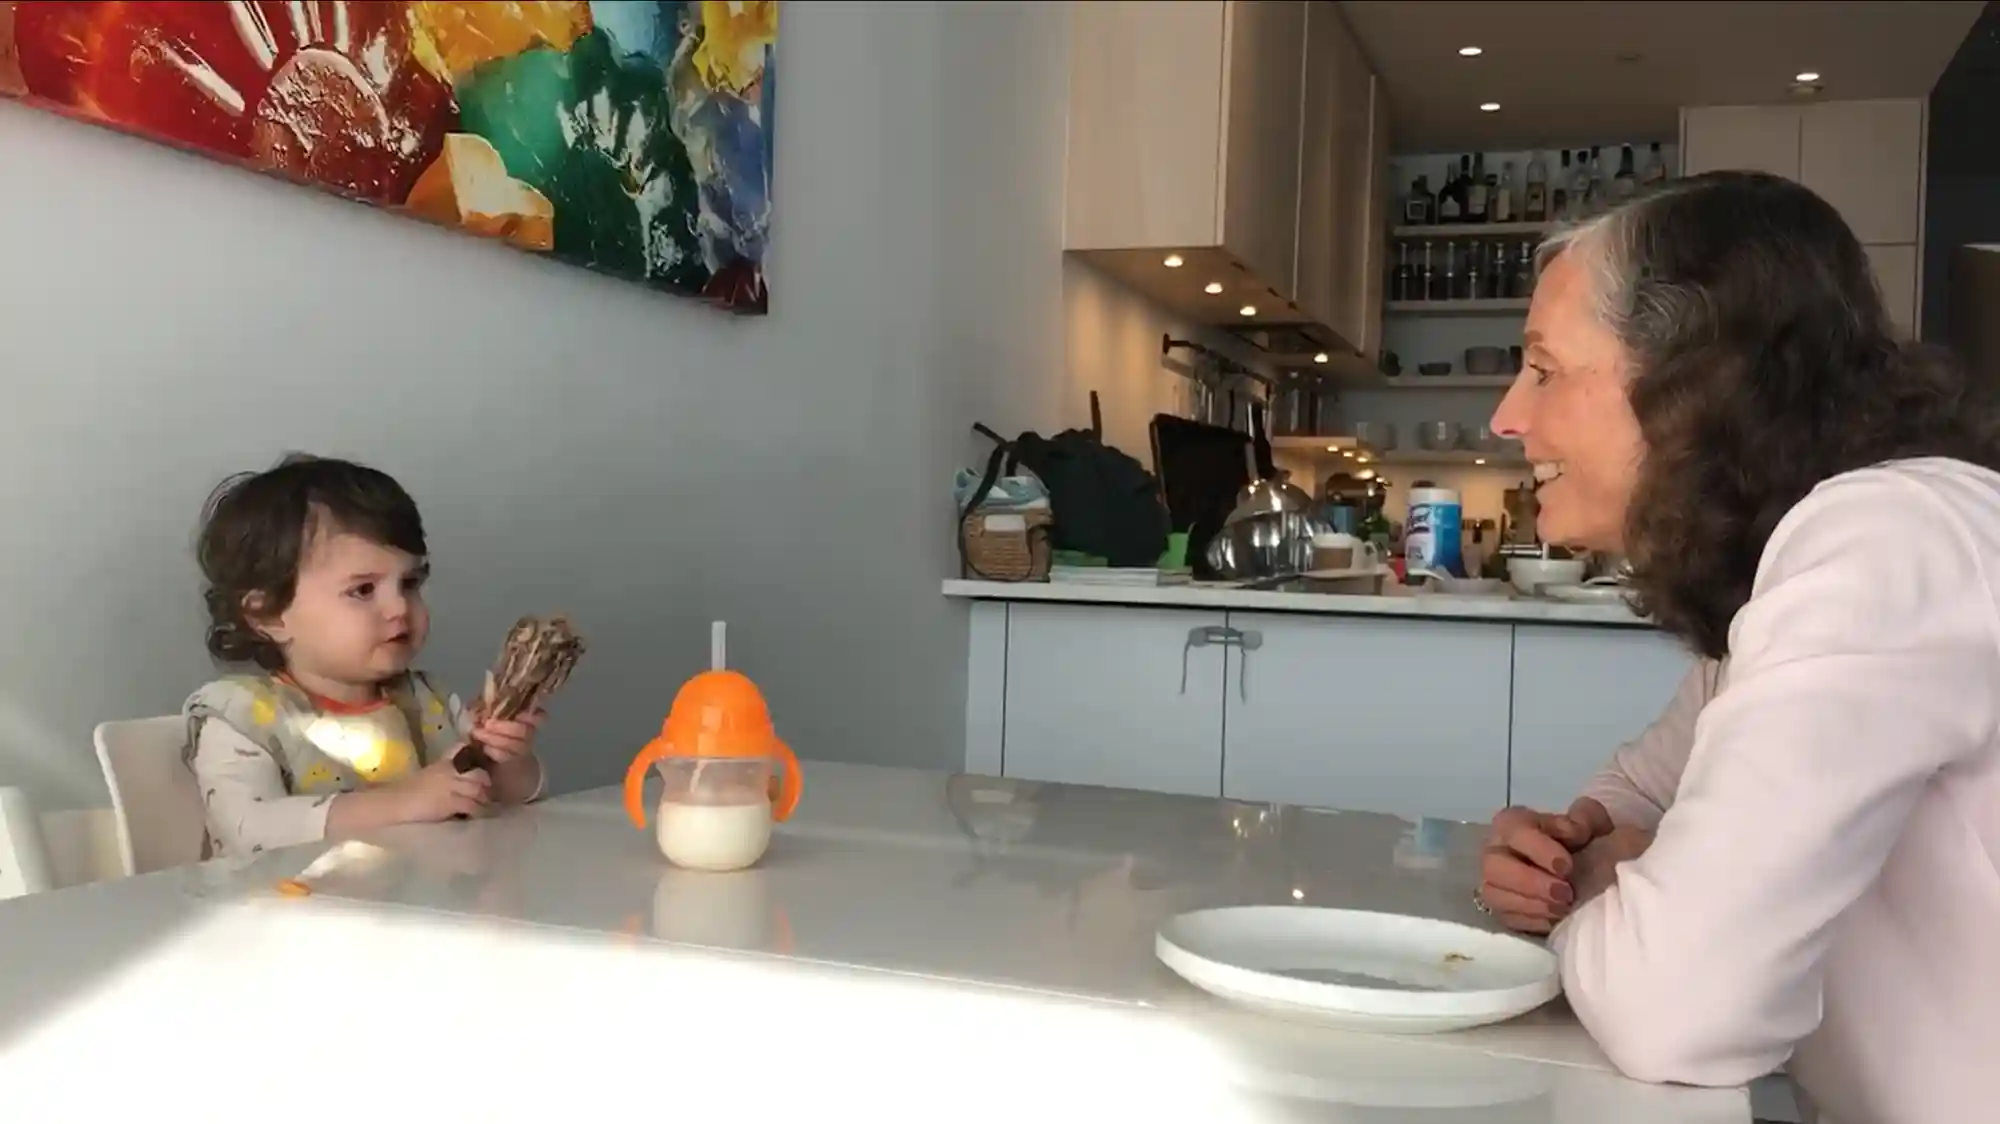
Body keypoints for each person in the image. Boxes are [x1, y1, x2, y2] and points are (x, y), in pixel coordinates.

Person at [1476, 171, 1998, 1124]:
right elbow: (1637, 792)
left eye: (1544, 369)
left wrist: (1599, 880)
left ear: (1695, 377)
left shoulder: (1885, 540)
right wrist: (1568, 848)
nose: (1507, 417)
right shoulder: (1787, 567)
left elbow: (1679, 1008)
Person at [185, 454, 547, 857]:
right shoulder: (243, 717)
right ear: (268, 614)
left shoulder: (428, 703)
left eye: (409, 583)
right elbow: (249, 830)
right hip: (285, 914)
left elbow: (511, 801)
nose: (398, 608)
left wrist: (506, 758)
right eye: (363, 590)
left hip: (420, 912)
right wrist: (402, 803)